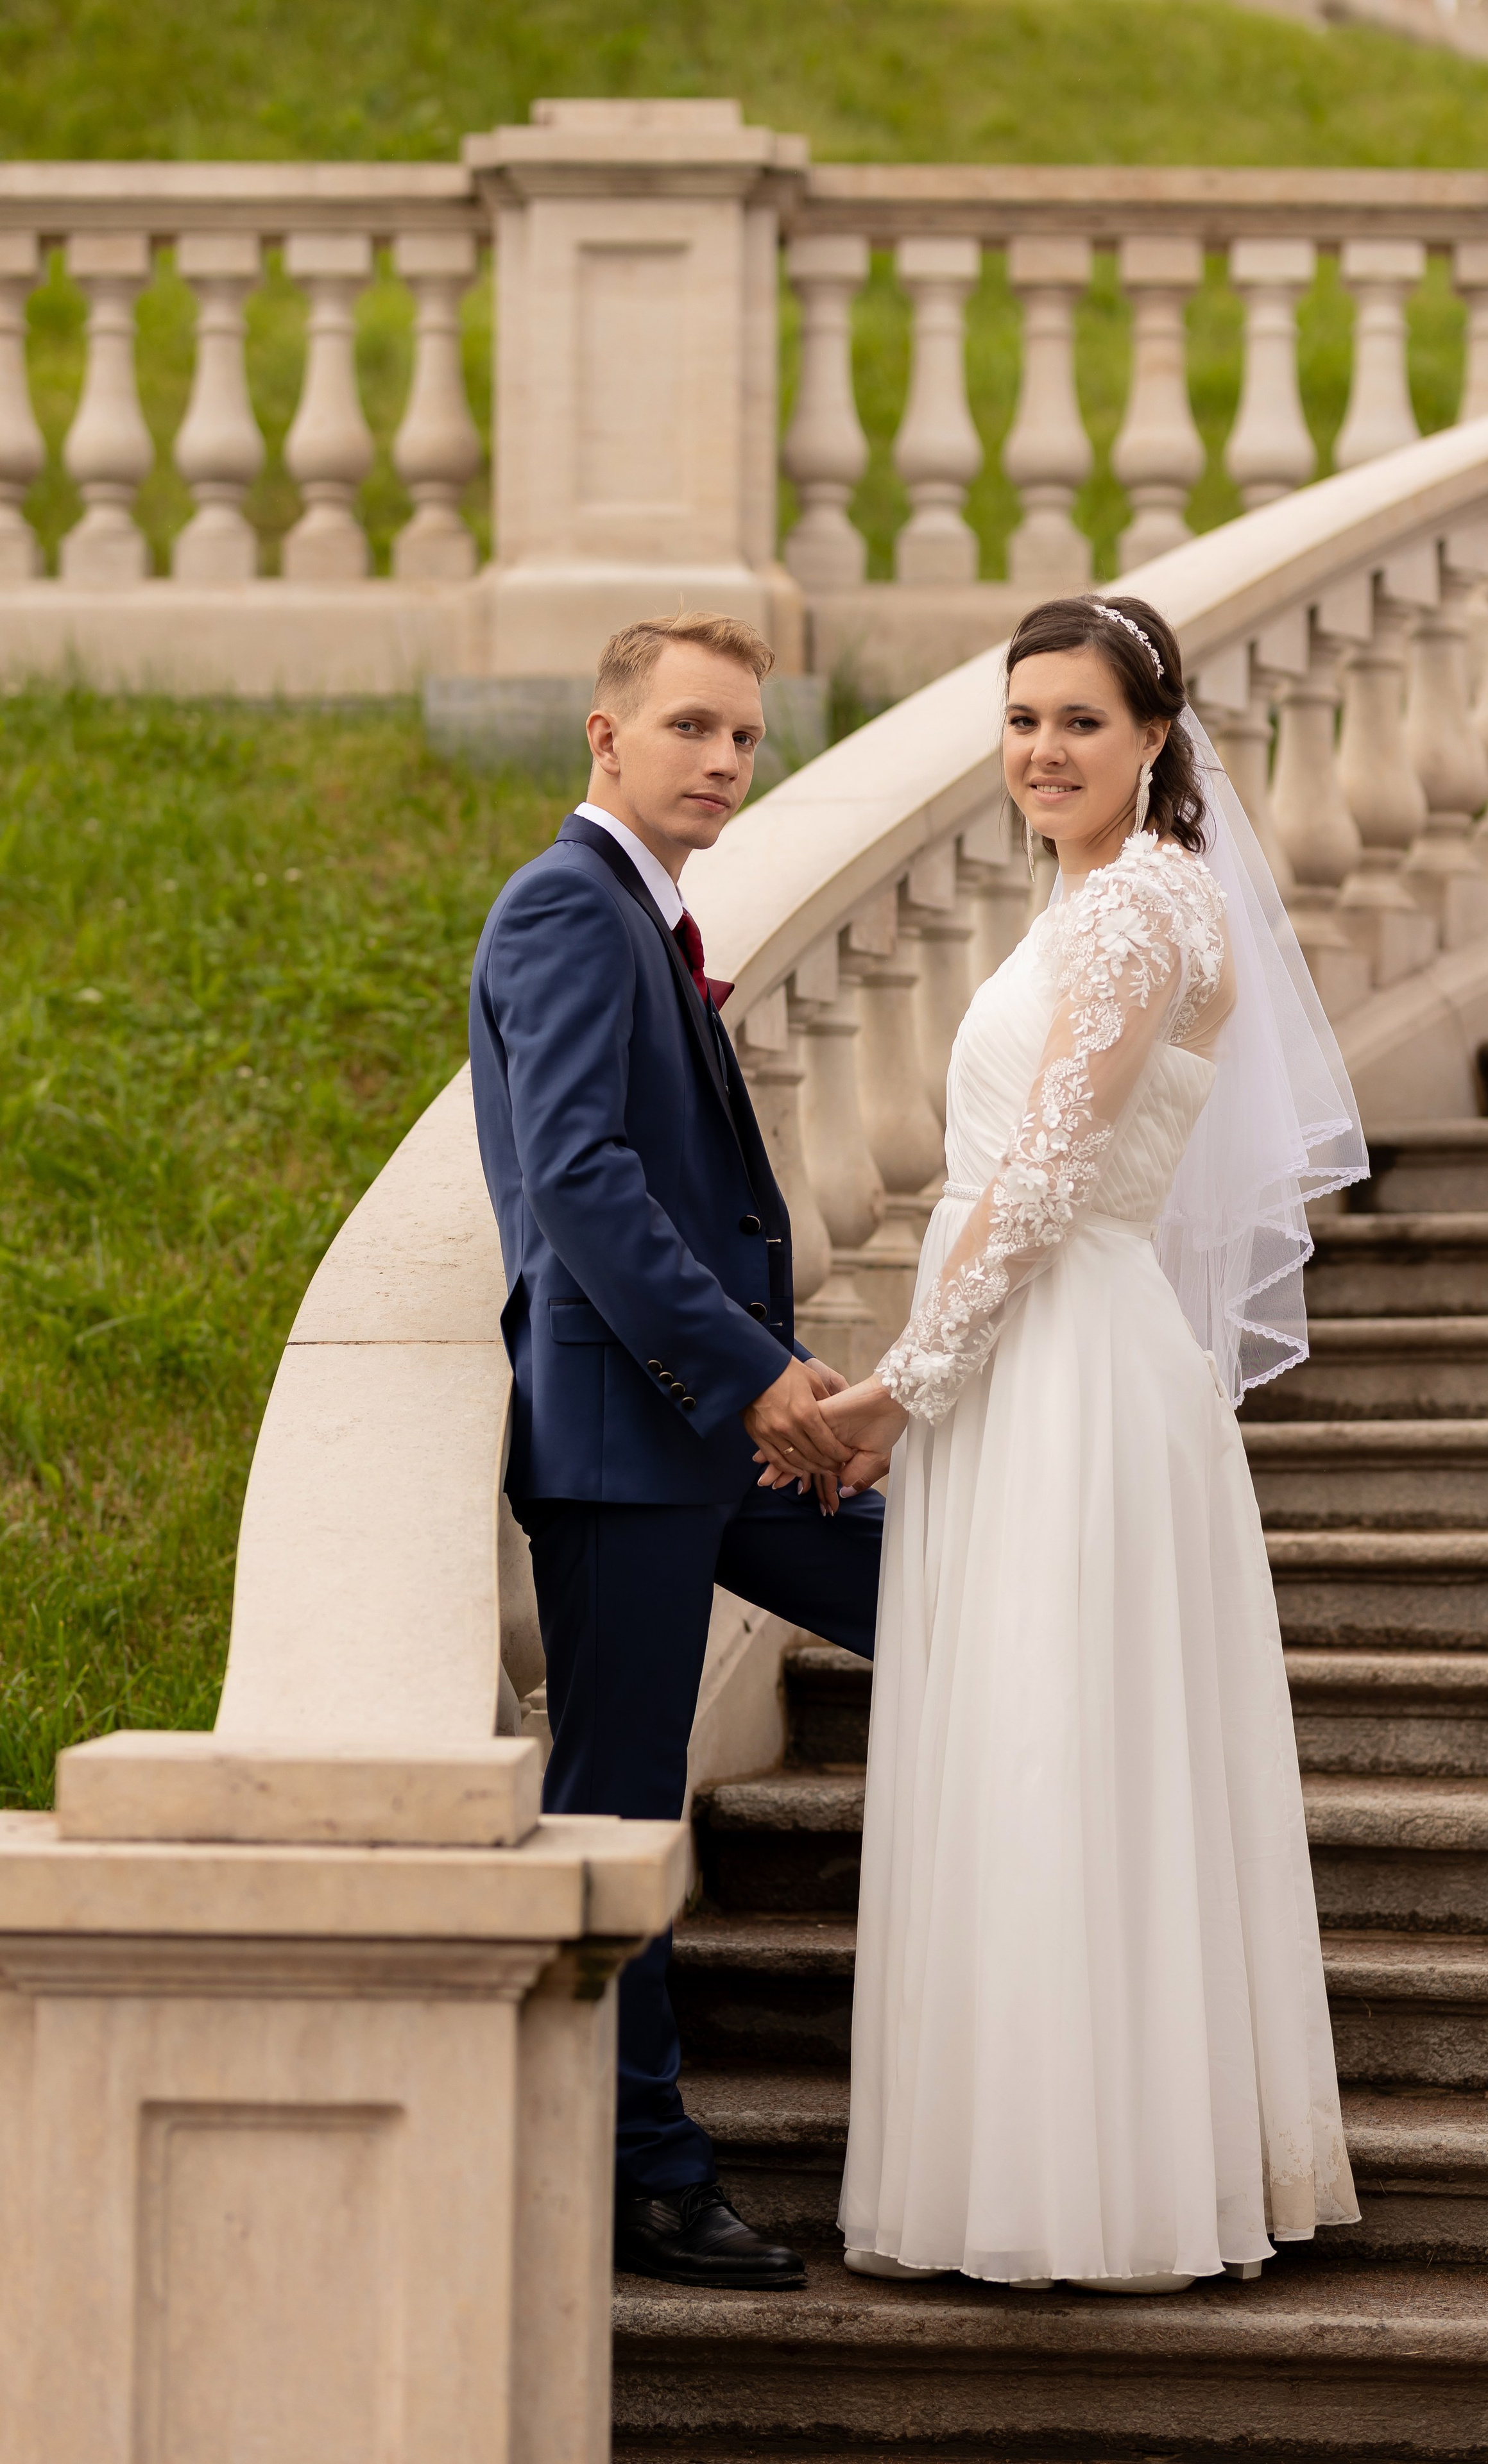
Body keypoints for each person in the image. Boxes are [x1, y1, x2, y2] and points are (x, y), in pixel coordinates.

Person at [782, 593, 1367, 2293]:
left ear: (1155, 735)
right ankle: (1054, 2155)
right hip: (1047, 1351)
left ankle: (1086, 2181)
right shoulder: (1110, 896)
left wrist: (906, 1384)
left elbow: (1041, 1181)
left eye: (1080, 721)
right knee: (1045, 1741)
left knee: (1059, 1744)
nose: (1042, 749)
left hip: (1058, 1359)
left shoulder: (1136, 916)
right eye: (1022, 717)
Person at [468, 612, 885, 2292]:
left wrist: (780, 1383)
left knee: (954, 1589)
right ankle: (647, 2176)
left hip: (705, 1426)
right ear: (605, 735)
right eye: (695, 728)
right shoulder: (571, 904)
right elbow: (578, 1181)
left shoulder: (653, 919)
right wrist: (756, 1374)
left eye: (746, 738)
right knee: (619, 1810)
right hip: (631, 1438)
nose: (726, 759)